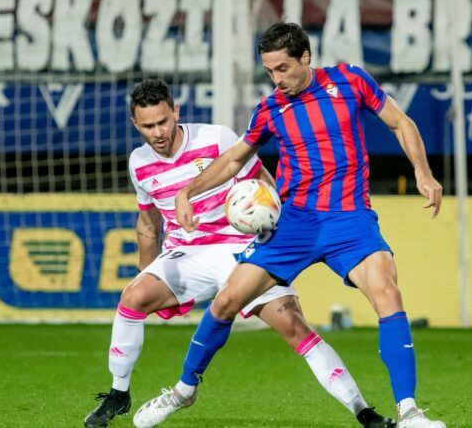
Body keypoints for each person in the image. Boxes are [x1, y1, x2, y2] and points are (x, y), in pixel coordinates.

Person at [159, 23, 446, 428]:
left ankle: (410, 412)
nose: (277, 79)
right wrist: (187, 191)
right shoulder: (270, 108)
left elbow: (401, 123)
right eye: (269, 71)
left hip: (349, 218)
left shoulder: (350, 80)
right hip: (293, 223)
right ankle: (184, 389)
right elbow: (234, 160)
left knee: (387, 292)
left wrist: (424, 173)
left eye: (282, 68)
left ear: (305, 58)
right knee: (226, 300)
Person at [83, 78, 393, 428]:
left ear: (176, 112)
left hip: (240, 248)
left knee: (294, 326)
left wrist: (273, 228)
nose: (157, 132)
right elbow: (148, 226)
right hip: (187, 254)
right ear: (134, 124)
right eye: (148, 126)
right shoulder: (139, 162)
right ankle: (118, 394)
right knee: (132, 296)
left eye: (163, 121)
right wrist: (147, 272)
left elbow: (262, 180)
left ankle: (365, 413)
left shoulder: (215, 138)